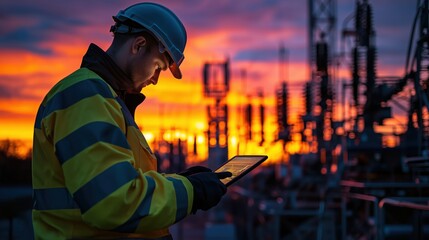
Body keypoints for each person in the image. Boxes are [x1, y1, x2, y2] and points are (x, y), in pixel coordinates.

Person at [32, 2, 231, 240]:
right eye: (158, 67)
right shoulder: (86, 96)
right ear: (138, 46)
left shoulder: (107, 100)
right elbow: (114, 201)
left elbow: (121, 181)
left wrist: (180, 181)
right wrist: (191, 192)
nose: (156, 80)